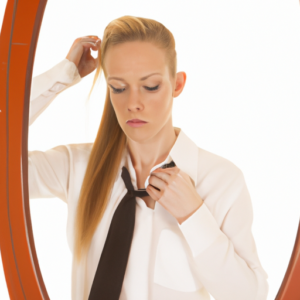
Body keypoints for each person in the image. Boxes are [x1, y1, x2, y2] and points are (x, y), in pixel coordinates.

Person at [29, 15, 269, 300]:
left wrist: (194, 216)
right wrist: (59, 78)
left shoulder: (219, 180)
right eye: (118, 88)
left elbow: (250, 295)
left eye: (151, 86)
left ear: (177, 85)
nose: (133, 104)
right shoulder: (77, 167)